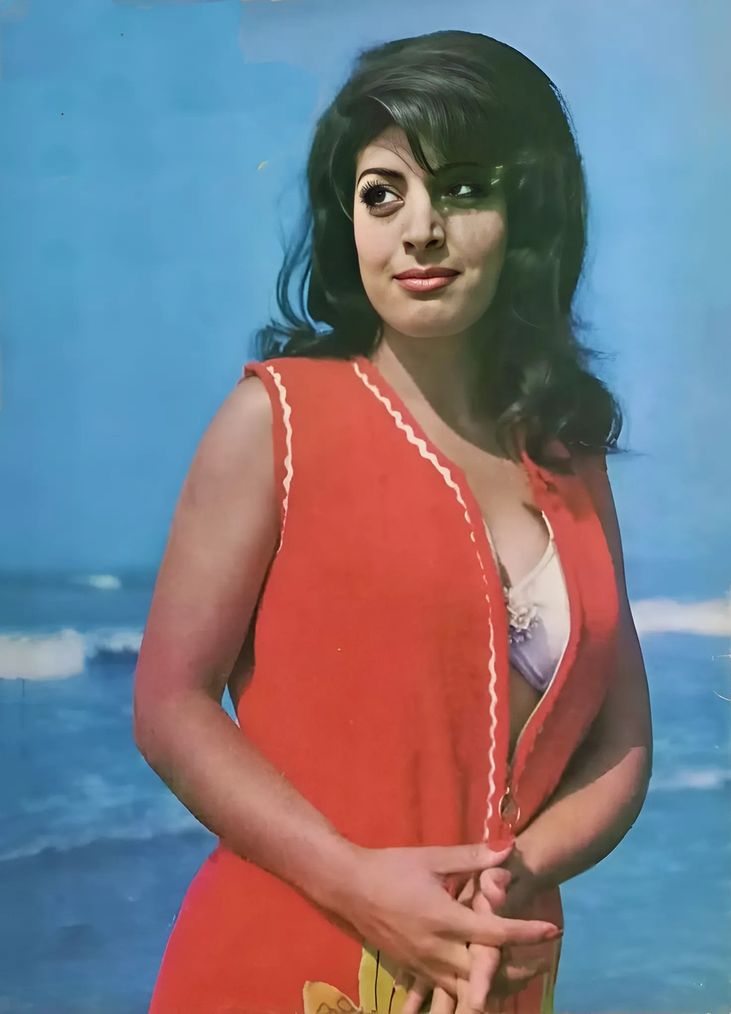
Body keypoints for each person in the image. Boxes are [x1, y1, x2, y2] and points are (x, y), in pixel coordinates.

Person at [133, 29, 652, 1014]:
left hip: (494, 972)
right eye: (383, 194)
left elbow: (622, 740)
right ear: (348, 220)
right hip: (285, 962)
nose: (419, 229)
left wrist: (516, 871)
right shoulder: (276, 420)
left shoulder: (566, 454)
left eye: (462, 190)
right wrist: (358, 883)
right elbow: (169, 705)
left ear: (527, 213)